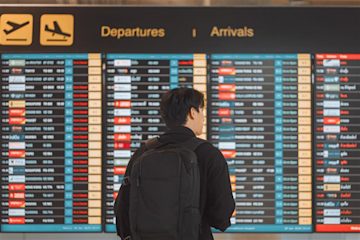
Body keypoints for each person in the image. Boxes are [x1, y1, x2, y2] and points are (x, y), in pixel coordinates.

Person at [115, 87, 235, 240]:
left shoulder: (142, 152)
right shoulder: (208, 154)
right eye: (201, 111)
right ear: (192, 112)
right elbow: (222, 216)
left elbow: (122, 212)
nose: (203, 118)